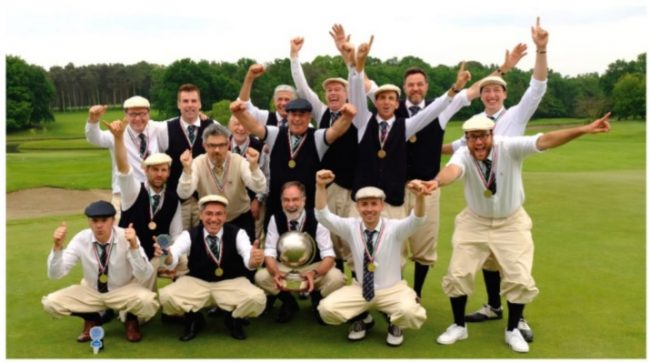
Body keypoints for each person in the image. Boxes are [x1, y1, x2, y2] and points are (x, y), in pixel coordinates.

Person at [431, 113, 611, 353]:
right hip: (474, 221)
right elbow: (453, 170)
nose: (478, 143)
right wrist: (436, 182)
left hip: (511, 222)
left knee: (519, 277)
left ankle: (513, 329)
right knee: (458, 273)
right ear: (467, 138)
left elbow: (545, 140)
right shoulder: (463, 153)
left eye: (483, 136)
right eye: (473, 137)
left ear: (492, 135)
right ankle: (458, 325)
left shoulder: (509, 147)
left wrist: (584, 129)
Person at [442, 17, 549, 342]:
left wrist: (540, 50)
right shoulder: (474, 125)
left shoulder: (515, 115)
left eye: (496, 90)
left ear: (504, 94)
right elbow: (456, 149)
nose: (490, 94)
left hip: (506, 194)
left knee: (511, 262)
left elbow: (538, 87)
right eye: (485, 90)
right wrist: (420, 147)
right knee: (487, 259)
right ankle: (492, 306)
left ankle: (519, 319)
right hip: (479, 206)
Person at [345, 36, 468, 226]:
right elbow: (355, 93)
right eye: (382, 98)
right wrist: (359, 63)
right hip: (364, 199)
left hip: (393, 202)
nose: (386, 102)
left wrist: (455, 88)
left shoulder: (405, 127)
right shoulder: (363, 122)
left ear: (397, 104)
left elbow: (433, 110)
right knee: (361, 253)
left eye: (391, 99)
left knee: (393, 252)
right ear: (375, 102)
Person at [314, 169, 429, 347]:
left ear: (382, 206)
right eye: (364, 204)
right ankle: (364, 318)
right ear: (357, 207)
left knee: (410, 312)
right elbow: (323, 216)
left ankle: (395, 323)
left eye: (374, 204)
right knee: (326, 309)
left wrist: (420, 197)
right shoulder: (350, 226)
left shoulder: (394, 228)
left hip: (392, 290)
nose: (369, 209)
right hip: (361, 290)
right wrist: (320, 186)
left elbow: (417, 220)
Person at [230, 93, 356, 226]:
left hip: (308, 207)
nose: (297, 119)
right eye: (293, 115)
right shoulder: (275, 133)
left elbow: (336, 130)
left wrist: (347, 117)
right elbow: (254, 127)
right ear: (287, 116)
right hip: (277, 205)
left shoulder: (318, 137)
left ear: (309, 118)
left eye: (301, 115)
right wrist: (238, 113)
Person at [41, 201, 159, 344]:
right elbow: (55, 274)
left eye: (104, 220)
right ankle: (92, 318)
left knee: (148, 302)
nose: (99, 225)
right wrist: (57, 247)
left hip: (123, 291)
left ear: (113, 221)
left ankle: (130, 319)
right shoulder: (81, 239)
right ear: (89, 222)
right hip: (92, 291)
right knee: (51, 303)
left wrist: (134, 246)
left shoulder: (126, 236)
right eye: (94, 221)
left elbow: (144, 275)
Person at [158, 195, 266, 341]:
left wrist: (253, 261)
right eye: (209, 213)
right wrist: (168, 255)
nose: (214, 219)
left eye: (218, 214)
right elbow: (174, 254)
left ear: (225, 216)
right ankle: (194, 318)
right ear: (201, 215)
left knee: (258, 299)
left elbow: (248, 256)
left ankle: (233, 318)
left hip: (230, 283)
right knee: (166, 297)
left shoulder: (238, 233)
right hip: (198, 283)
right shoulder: (189, 234)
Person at [103, 118, 184, 289]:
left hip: (155, 254)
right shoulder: (133, 191)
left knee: (183, 259)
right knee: (139, 307)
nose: (159, 174)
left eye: (163, 170)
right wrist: (118, 139)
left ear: (169, 172)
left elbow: (176, 234)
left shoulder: (173, 199)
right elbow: (123, 169)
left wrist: (166, 249)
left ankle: (176, 309)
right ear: (145, 170)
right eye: (154, 170)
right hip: (128, 252)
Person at [255, 181, 346, 324]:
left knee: (337, 278)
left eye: (295, 199)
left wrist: (314, 273)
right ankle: (289, 302)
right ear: (281, 201)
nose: (291, 205)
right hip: (285, 268)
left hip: (311, 268)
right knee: (261, 277)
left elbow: (329, 256)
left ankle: (318, 299)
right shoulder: (275, 219)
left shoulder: (318, 219)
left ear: (304, 200)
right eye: (286, 200)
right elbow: (270, 252)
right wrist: (275, 272)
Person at [177, 123, 266, 241]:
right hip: (210, 220)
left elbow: (260, 187)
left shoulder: (239, 161)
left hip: (240, 219)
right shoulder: (197, 163)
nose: (217, 150)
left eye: (221, 145)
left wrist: (254, 166)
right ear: (204, 146)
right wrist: (187, 170)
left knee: (245, 258)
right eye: (212, 145)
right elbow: (184, 193)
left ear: (228, 144)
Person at [85, 96, 163, 223]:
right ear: (125, 115)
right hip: (122, 195)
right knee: (119, 236)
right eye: (132, 114)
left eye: (142, 113)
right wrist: (93, 120)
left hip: (152, 194)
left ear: (149, 113)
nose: (138, 118)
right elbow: (94, 138)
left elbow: (179, 122)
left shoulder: (158, 128)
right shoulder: (117, 132)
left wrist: (198, 115)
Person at [157, 83, 216, 230]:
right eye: (185, 101)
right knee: (178, 244)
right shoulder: (165, 129)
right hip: (176, 200)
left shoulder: (213, 126)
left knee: (203, 243)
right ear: (178, 104)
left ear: (200, 103)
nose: (190, 105)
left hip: (205, 199)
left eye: (194, 101)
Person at [228, 115, 271, 241]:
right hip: (227, 201)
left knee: (251, 239)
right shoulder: (221, 144)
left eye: (245, 124)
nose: (241, 128)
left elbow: (266, 176)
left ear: (251, 128)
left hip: (253, 202)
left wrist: (258, 200)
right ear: (230, 126)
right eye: (236, 124)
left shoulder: (261, 147)